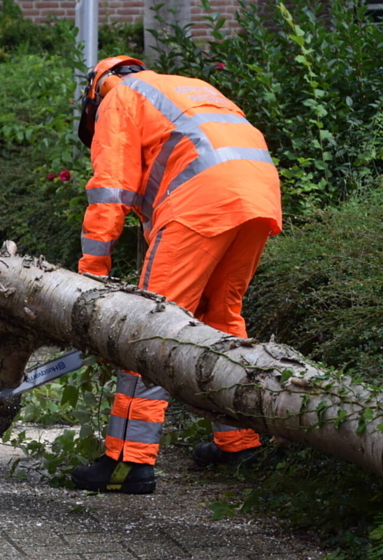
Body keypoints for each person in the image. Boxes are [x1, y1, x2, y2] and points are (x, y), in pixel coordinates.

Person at [71, 56, 282, 494]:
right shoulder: (185, 86)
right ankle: (239, 441)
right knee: (222, 318)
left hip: (202, 200)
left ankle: (129, 462)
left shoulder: (119, 97)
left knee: (150, 328)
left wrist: (91, 274)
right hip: (259, 195)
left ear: (95, 92)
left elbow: (111, 192)